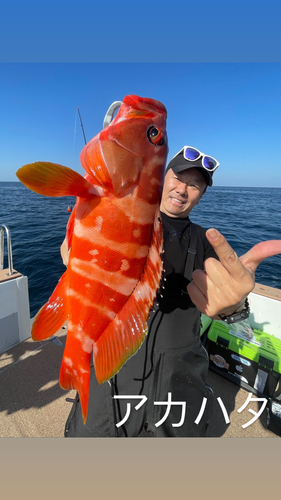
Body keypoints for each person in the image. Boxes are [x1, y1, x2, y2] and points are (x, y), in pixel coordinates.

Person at [61, 145, 280, 437]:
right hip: (114, 360)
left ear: (201, 196)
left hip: (178, 371)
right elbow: (82, 259)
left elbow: (226, 300)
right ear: (161, 178)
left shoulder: (205, 242)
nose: (183, 189)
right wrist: (76, 251)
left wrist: (234, 308)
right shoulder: (124, 216)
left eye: (195, 185)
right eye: (177, 178)